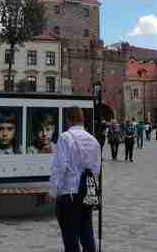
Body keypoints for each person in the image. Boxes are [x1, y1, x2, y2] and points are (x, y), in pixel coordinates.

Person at [49, 106, 101, 252]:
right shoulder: (94, 141)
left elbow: (59, 166)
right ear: (82, 120)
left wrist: (53, 191)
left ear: (68, 120)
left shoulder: (65, 137)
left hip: (69, 193)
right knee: (86, 232)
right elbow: (96, 170)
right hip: (86, 193)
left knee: (70, 237)